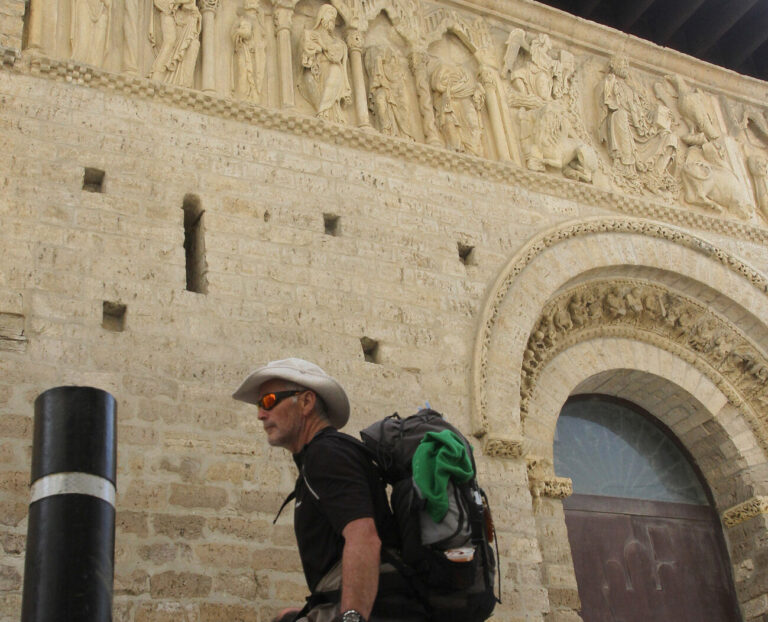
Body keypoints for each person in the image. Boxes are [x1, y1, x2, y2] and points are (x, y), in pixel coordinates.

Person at [233, 358, 426, 622]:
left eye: (268, 401)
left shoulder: (327, 453)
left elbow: (364, 538)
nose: (260, 414)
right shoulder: (322, 455)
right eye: (259, 405)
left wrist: (351, 617)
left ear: (306, 402)